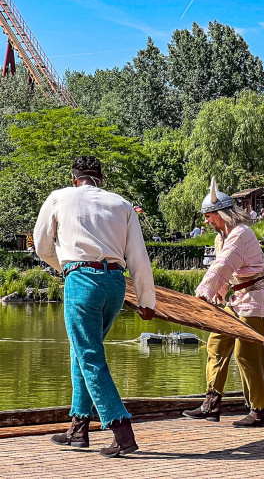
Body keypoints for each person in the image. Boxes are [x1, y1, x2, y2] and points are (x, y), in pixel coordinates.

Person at [33, 156, 156, 457]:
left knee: (89, 356)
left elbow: (40, 245)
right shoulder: (122, 204)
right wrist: (147, 301)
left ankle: (122, 431)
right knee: (83, 351)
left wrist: (66, 265)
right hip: (115, 283)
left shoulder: (59, 197)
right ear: (101, 179)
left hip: (81, 281)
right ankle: (78, 428)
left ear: (74, 178)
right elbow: (138, 257)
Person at [183, 178, 264, 427]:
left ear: (221, 213)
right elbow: (223, 271)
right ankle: (211, 404)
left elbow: (224, 266)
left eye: (209, 215)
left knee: (246, 354)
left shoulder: (241, 234)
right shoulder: (222, 238)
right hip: (235, 301)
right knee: (216, 343)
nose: (206, 221)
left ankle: (259, 410)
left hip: (256, 300)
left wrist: (203, 291)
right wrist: (215, 296)